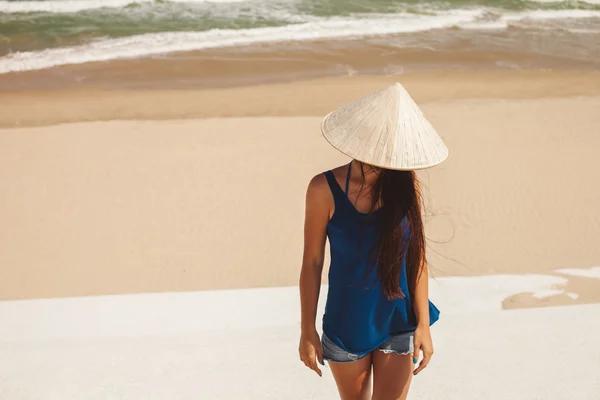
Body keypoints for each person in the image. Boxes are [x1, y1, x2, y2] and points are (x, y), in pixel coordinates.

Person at [298, 83, 449, 400]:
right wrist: (307, 330)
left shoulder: (407, 187)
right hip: (346, 323)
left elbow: (416, 257)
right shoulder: (322, 189)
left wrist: (424, 324)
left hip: (399, 321)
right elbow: (312, 262)